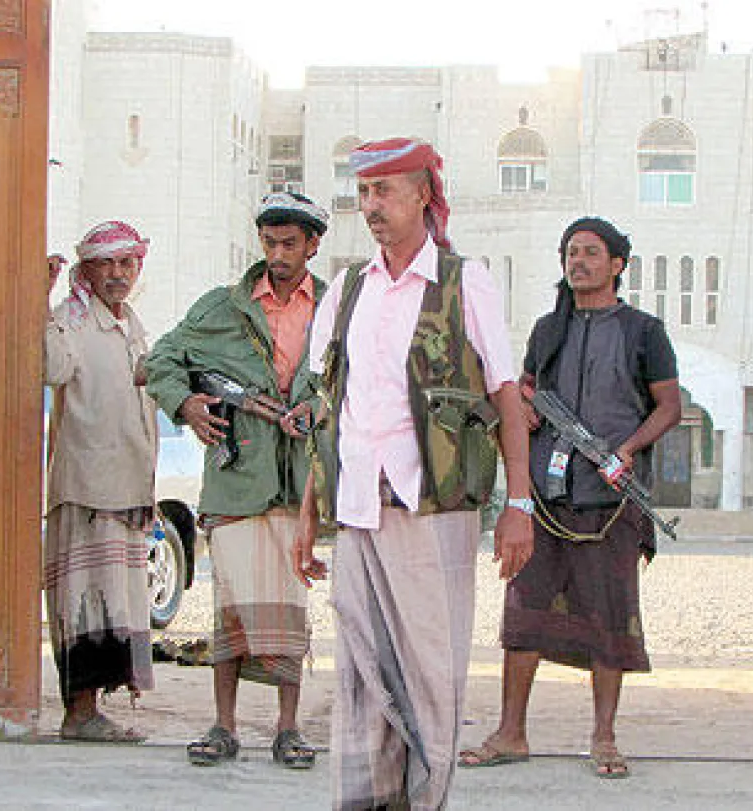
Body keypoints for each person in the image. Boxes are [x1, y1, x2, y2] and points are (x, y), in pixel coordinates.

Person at [291, 138, 535, 810]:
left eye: (386, 190)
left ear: (424, 195)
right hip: (356, 509)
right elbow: (326, 409)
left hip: (434, 511)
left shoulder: (464, 283)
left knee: (430, 676)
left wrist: (520, 503)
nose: (371, 206)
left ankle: (426, 802)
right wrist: (309, 514)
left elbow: (508, 397)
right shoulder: (345, 291)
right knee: (362, 679)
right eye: (363, 192)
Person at [460, 217, 681, 779]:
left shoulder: (643, 331)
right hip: (546, 495)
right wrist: (528, 408)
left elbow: (668, 407)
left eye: (590, 252)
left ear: (617, 265)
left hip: (609, 501)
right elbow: (527, 390)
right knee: (524, 615)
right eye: (570, 252)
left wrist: (627, 450)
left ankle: (604, 738)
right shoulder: (546, 328)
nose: (578, 261)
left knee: (609, 618)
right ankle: (511, 733)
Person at [144, 193, 330, 769]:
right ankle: (223, 726)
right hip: (235, 474)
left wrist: (320, 409)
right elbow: (161, 361)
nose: (278, 255)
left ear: (313, 245)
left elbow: (355, 381)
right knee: (231, 606)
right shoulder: (221, 307)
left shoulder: (335, 310)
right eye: (270, 243)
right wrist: (188, 406)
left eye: (290, 244)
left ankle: (288, 728)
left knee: (288, 604)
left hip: (299, 480)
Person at [43, 221, 158, 743]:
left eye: (126, 264)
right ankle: (79, 714)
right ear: (86, 269)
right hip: (87, 484)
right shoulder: (70, 318)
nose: (117, 274)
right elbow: (52, 368)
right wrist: (40, 304)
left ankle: (91, 713)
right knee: (84, 600)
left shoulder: (131, 325)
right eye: (105, 264)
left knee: (114, 600)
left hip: (127, 484)